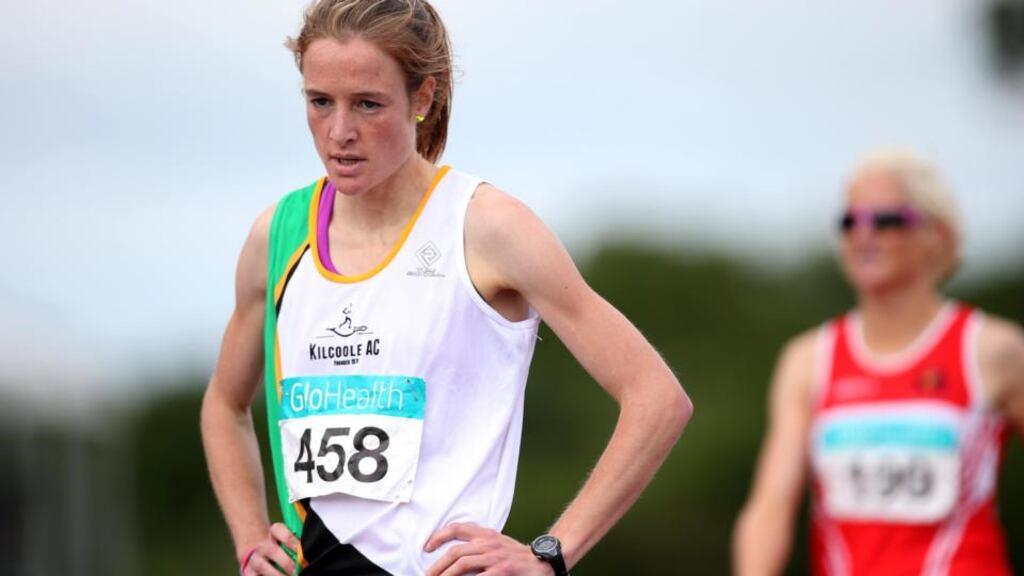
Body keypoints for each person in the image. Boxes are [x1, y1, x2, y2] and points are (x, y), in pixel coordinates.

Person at [200, 1, 692, 575]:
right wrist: (249, 539)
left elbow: (658, 399)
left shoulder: (488, 227)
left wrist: (549, 555)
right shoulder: (277, 237)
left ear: (424, 99)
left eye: (367, 104)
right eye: (319, 102)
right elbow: (224, 403)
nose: (340, 132)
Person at [733, 149, 1024, 575]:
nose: (864, 235)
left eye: (887, 220)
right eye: (850, 222)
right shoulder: (809, 359)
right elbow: (770, 507)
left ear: (937, 236)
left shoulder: (992, 349)